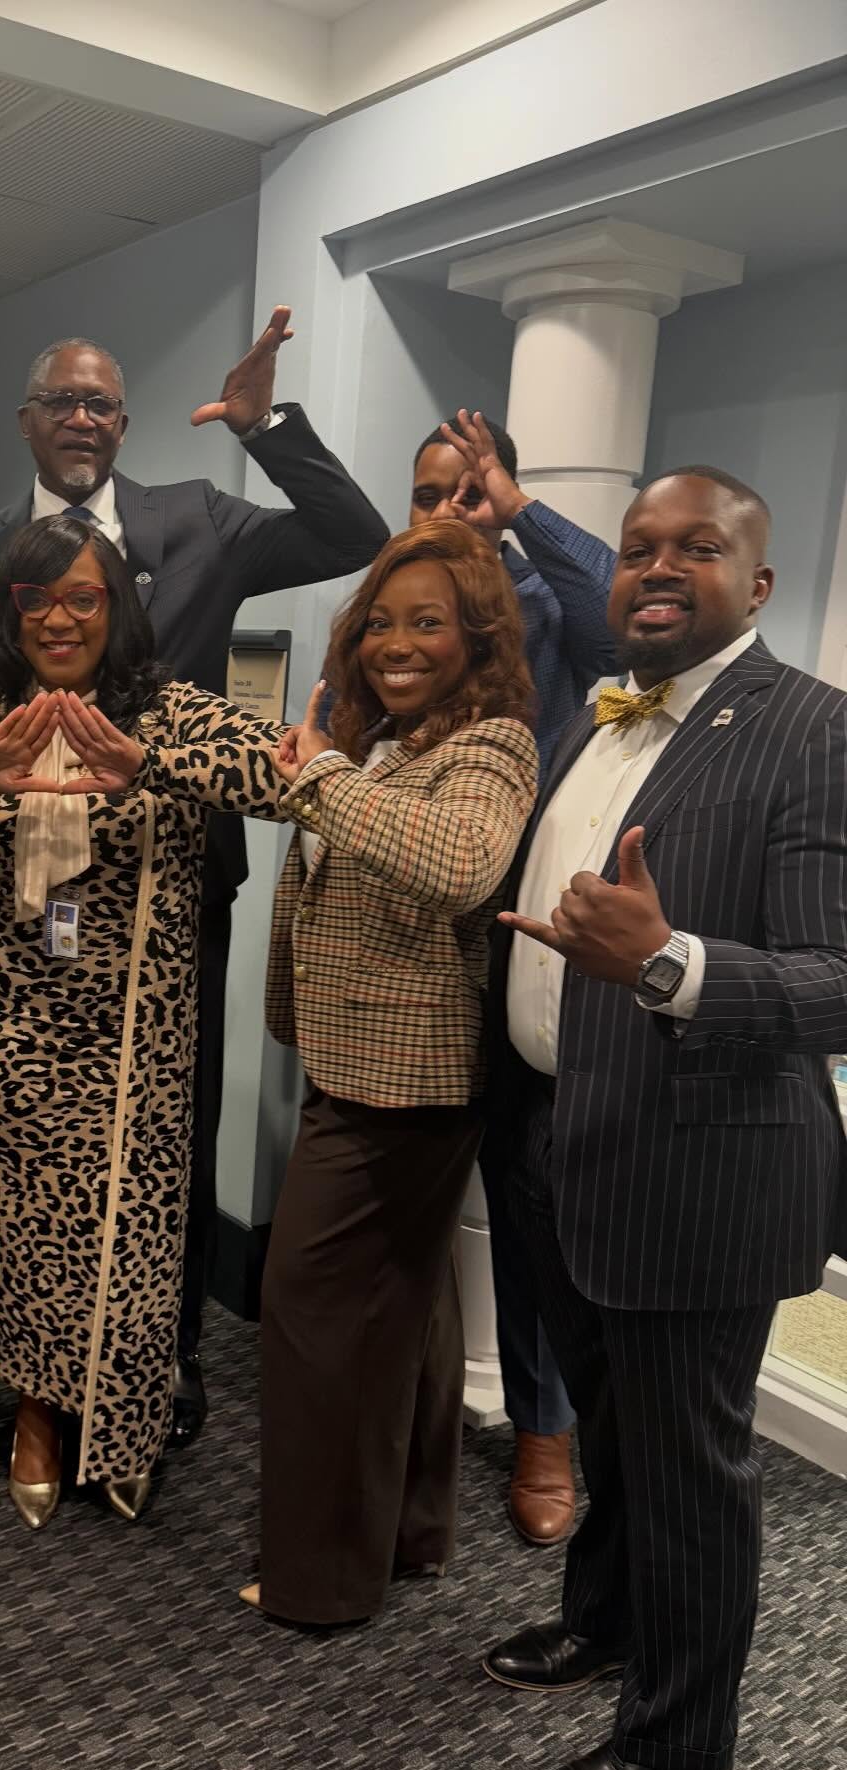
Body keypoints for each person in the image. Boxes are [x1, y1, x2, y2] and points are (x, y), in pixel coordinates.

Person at [0, 308, 388, 1448]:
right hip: (23, 899)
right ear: (27, 422)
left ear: (123, 425)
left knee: (166, 1126)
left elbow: (352, 532)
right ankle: (34, 1359)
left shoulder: (201, 519)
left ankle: (155, 1359)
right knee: (31, 1135)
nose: (82, 418)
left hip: (172, 892)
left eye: (102, 404)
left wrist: (264, 426)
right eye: (62, 402)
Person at [482, 467, 847, 1770]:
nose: (657, 567)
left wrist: (672, 961)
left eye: (699, 547)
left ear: (758, 583)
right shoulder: (604, 714)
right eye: (640, 546)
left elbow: (839, 980)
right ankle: (607, 1623)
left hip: (703, 1166)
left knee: (691, 1473)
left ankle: (683, 1742)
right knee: (613, 1434)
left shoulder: (813, 729)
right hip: (567, 1135)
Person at [0, 515, 287, 1528]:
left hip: (136, 1046)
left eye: (84, 596)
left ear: (116, 606)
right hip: (13, 1041)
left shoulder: (167, 711)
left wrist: (150, 765)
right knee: (29, 1242)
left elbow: (281, 776)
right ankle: (38, 1414)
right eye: (38, 598)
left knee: (133, 1244)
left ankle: (121, 1420)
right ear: (12, 610)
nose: (61, 619)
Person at [240, 519, 537, 1624]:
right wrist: (324, 768)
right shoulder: (387, 744)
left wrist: (319, 773)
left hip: (407, 1085)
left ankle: (321, 1579)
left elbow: (458, 864)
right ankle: (408, 1532)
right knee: (406, 1307)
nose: (397, 644)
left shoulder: (491, 747)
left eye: (429, 624)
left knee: (313, 1309)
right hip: (359, 1064)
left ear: (478, 640)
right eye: (380, 624)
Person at [415, 410, 622, 1546]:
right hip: (405, 948)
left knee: (526, 1194)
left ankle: (545, 1429)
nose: (448, 511)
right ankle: (401, 1410)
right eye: (427, 493)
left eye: (468, 491)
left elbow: (617, 622)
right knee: (393, 1183)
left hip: (514, 942)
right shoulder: (391, 611)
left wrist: (523, 514)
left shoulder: (546, 608)